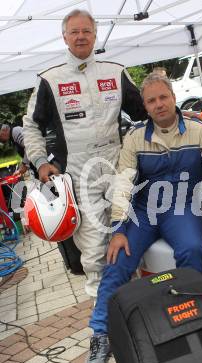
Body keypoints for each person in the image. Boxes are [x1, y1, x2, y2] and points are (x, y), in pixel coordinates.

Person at [84, 73, 202, 363]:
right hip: (142, 210)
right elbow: (123, 185)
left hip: (180, 206)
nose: (158, 104)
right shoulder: (135, 138)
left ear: (173, 98)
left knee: (193, 249)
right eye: (151, 100)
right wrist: (117, 230)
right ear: (145, 106)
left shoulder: (198, 129)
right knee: (117, 260)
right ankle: (100, 334)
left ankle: (196, 319)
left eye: (163, 97)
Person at [23, 9, 148, 298]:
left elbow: (145, 111)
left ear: (95, 34)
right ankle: (104, 328)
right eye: (75, 31)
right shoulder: (49, 80)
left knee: (132, 238)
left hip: (119, 169)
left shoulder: (115, 72)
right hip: (77, 177)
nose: (81, 36)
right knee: (94, 252)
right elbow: (30, 125)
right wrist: (40, 162)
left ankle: (142, 309)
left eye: (86, 31)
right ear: (64, 37)